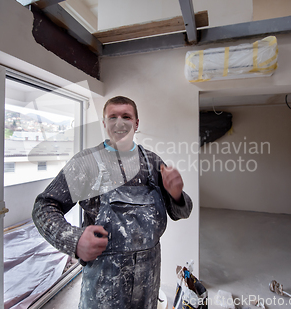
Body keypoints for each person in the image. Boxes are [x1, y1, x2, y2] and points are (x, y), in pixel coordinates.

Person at [32, 96, 193, 309]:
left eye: (126, 116)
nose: (120, 123)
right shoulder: (86, 163)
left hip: (148, 281)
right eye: (112, 117)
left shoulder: (152, 162)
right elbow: (44, 206)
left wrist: (177, 195)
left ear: (136, 123)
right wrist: (75, 241)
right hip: (104, 284)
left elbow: (182, 211)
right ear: (104, 123)